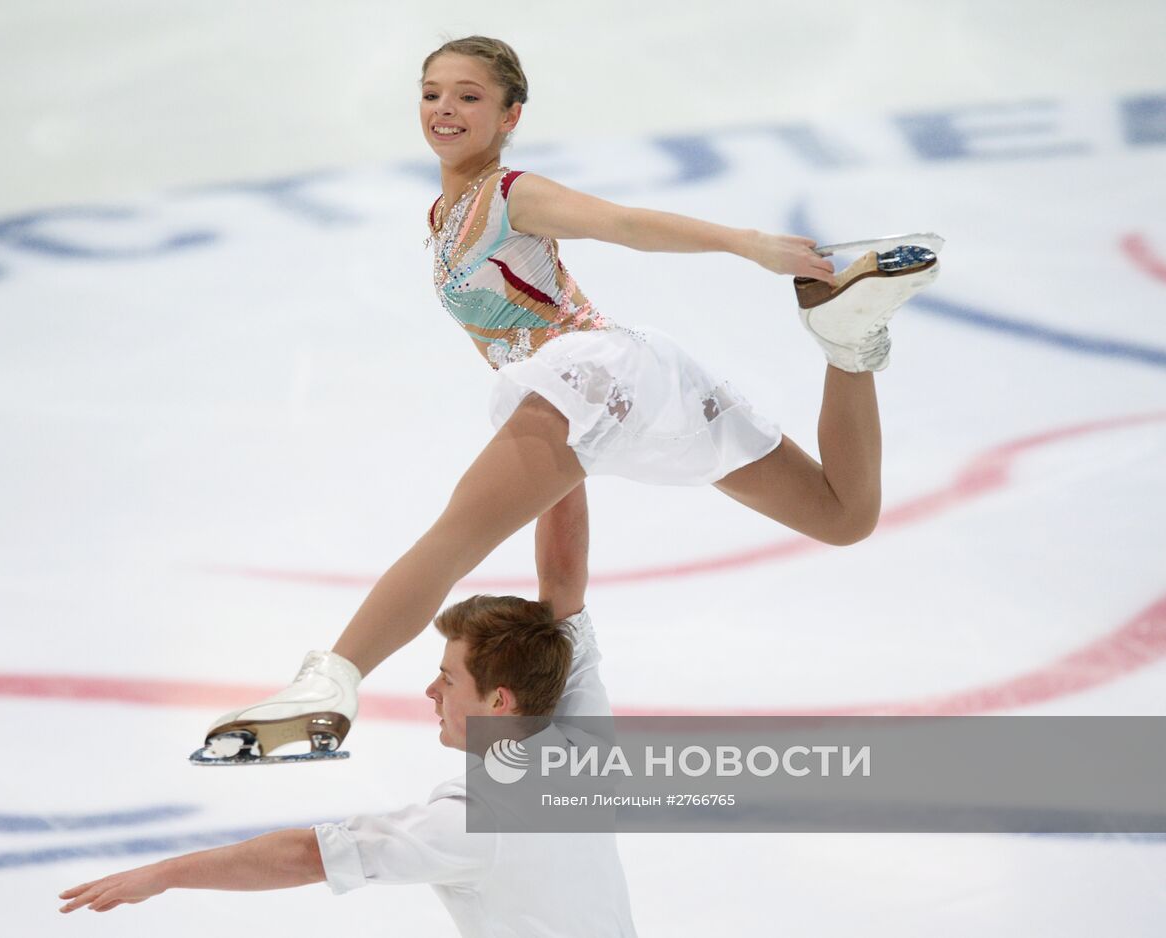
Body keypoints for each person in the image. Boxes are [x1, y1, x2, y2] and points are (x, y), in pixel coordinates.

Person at [201, 36, 940, 762]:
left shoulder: (510, 195)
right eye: (432, 94)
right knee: (843, 517)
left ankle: (329, 681)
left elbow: (623, 225)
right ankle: (849, 342)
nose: (444, 110)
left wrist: (745, 243)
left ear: (510, 115)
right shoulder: (444, 216)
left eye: (469, 96)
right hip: (620, 385)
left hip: (594, 373)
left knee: (454, 538)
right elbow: (534, 421)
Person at [61, 485, 640, 937]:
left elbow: (304, 856)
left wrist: (162, 875)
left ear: (499, 700)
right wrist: (568, 429)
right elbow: (563, 577)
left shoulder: (474, 823)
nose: (430, 692)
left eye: (448, 678)